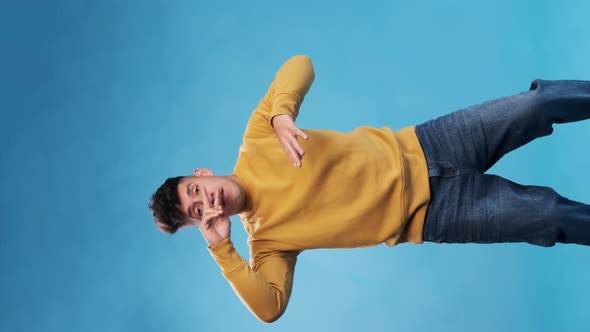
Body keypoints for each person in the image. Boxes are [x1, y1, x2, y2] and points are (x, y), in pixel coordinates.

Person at [149, 55, 590, 323]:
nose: (204, 202)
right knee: (551, 215)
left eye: (195, 192)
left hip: (430, 142)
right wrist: (223, 253)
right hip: (439, 214)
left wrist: (282, 113)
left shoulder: (258, 138)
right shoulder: (267, 244)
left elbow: (300, 64)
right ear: (204, 222)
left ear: (202, 175)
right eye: (196, 213)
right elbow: (269, 309)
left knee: (538, 104)